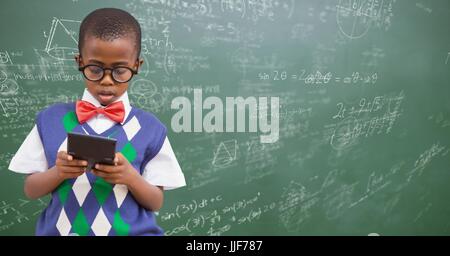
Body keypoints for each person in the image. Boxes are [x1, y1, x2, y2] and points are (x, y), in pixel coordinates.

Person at [8, 8, 186, 236]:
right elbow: (31, 189)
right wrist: (59, 172)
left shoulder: (151, 128)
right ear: (79, 61)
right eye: (95, 69)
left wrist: (130, 176)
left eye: (120, 71)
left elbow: (156, 202)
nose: (107, 81)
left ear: (137, 66)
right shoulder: (50, 120)